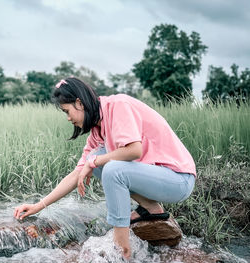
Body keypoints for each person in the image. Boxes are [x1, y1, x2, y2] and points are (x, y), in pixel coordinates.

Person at [14, 77, 196, 259]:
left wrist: (95, 161)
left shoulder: (118, 105)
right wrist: (39, 205)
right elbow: (76, 174)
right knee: (98, 161)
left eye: (67, 111)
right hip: (157, 180)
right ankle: (151, 208)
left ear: (79, 103)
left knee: (108, 167)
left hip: (178, 179)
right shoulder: (96, 131)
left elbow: (134, 150)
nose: (68, 118)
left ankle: (122, 252)